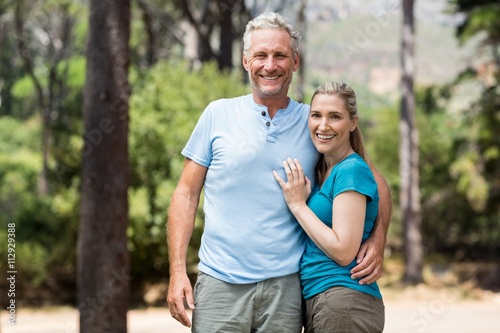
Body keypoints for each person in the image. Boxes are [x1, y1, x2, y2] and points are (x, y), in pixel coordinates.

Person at [166, 12, 391, 333]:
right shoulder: (217, 114)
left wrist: (378, 237)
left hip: (286, 290)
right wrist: (176, 270)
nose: (270, 64)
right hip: (219, 283)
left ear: (295, 61)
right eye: (261, 55)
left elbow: (373, 180)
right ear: (246, 61)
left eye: (280, 55)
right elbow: (185, 194)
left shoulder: (314, 123)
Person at [273, 81, 385, 332]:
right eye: (316, 115)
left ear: (353, 122)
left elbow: (344, 250)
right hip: (325, 301)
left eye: (335, 117)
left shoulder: (351, 169)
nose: (323, 125)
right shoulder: (329, 170)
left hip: (344, 299)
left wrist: (298, 205)